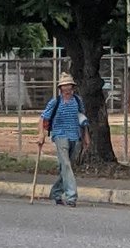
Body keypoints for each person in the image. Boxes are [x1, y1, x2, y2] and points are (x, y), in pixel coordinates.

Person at [36, 71, 90, 207]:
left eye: (69, 86)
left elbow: (82, 119)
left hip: (75, 136)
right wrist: (41, 134)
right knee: (66, 165)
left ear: (73, 87)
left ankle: (56, 192)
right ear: (60, 88)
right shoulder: (55, 102)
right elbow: (43, 118)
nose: (67, 89)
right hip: (60, 136)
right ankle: (72, 196)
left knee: (66, 168)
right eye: (64, 86)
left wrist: (86, 136)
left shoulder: (77, 101)